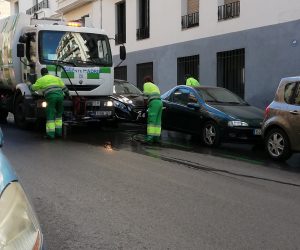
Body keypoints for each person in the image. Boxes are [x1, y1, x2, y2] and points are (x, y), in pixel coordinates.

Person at [30, 68, 69, 139]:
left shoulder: (41, 80)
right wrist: (68, 95)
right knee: (59, 115)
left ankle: (50, 135)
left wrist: (29, 85)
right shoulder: (56, 78)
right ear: (48, 72)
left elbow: (33, 88)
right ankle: (58, 133)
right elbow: (65, 89)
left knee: (50, 115)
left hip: (51, 98)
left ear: (42, 74)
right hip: (60, 97)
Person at [143, 76, 163, 144]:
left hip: (154, 102)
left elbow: (145, 96)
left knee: (152, 120)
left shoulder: (146, 84)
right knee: (157, 122)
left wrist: (145, 106)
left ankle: (149, 139)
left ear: (145, 81)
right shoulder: (154, 86)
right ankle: (156, 139)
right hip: (160, 103)